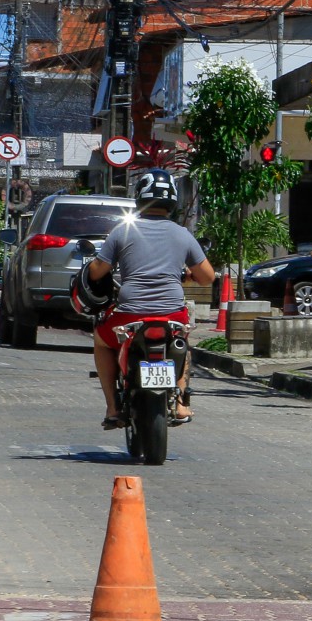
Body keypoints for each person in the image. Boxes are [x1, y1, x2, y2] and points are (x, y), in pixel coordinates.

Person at [85, 171, 216, 429]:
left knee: (101, 342)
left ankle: (112, 408)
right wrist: (187, 274)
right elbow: (208, 277)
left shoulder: (122, 231)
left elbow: (97, 272)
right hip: (172, 314)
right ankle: (179, 404)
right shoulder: (182, 234)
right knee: (182, 345)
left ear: (139, 198)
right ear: (173, 201)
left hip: (130, 314)